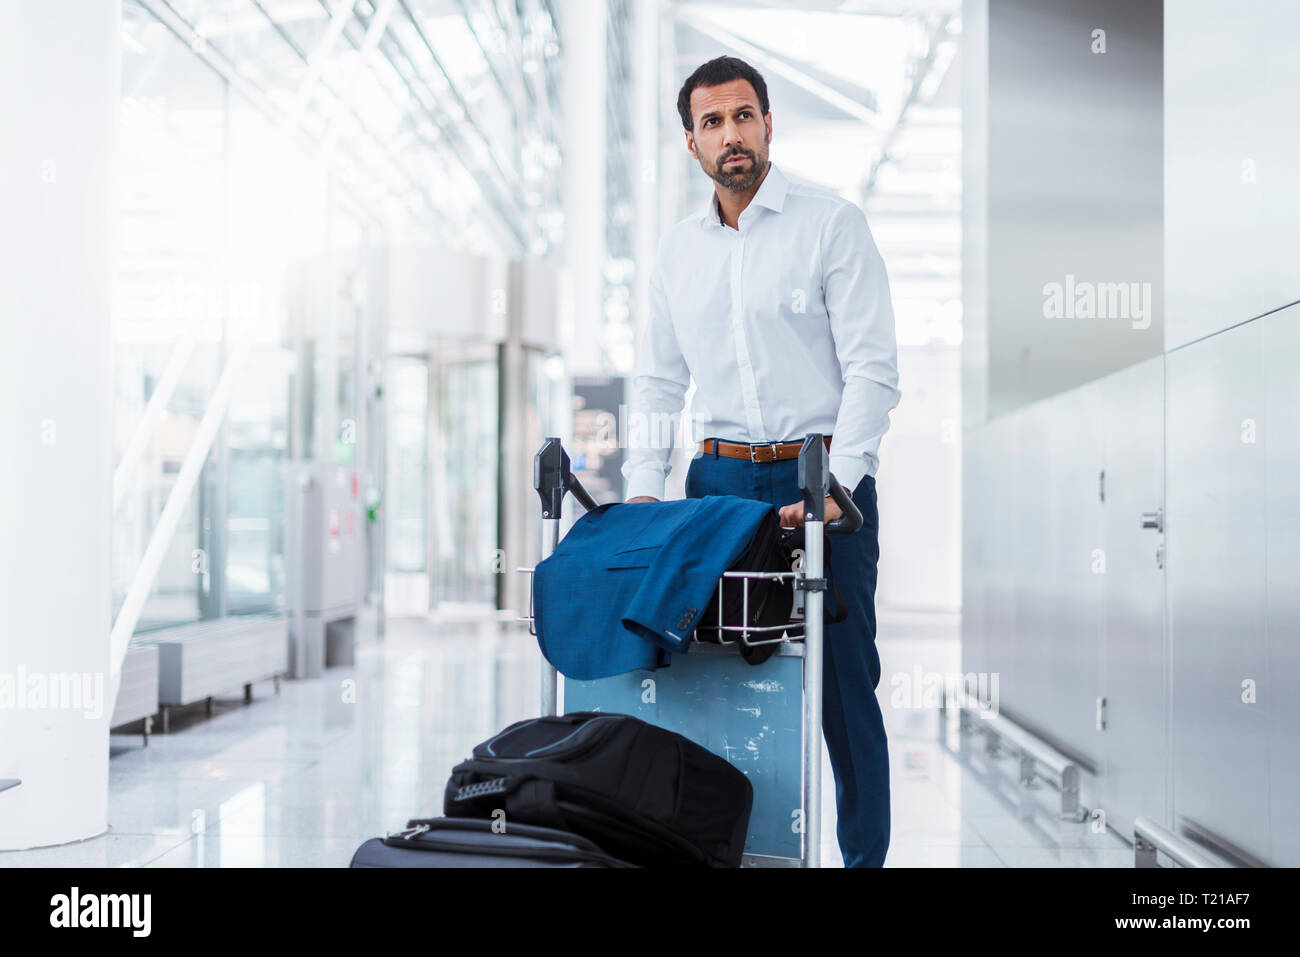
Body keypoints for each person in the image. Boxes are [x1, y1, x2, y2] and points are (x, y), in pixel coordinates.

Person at [620, 55, 901, 868]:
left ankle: (861, 861)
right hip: (718, 487)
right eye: (713, 122)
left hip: (820, 480)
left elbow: (873, 369)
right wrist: (643, 490)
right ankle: (719, 845)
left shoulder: (830, 224)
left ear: (769, 125)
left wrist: (835, 489)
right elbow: (658, 379)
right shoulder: (676, 253)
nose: (730, 135)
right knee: (709, 672)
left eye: (743, 116)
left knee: (845, 689)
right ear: (690, 142)